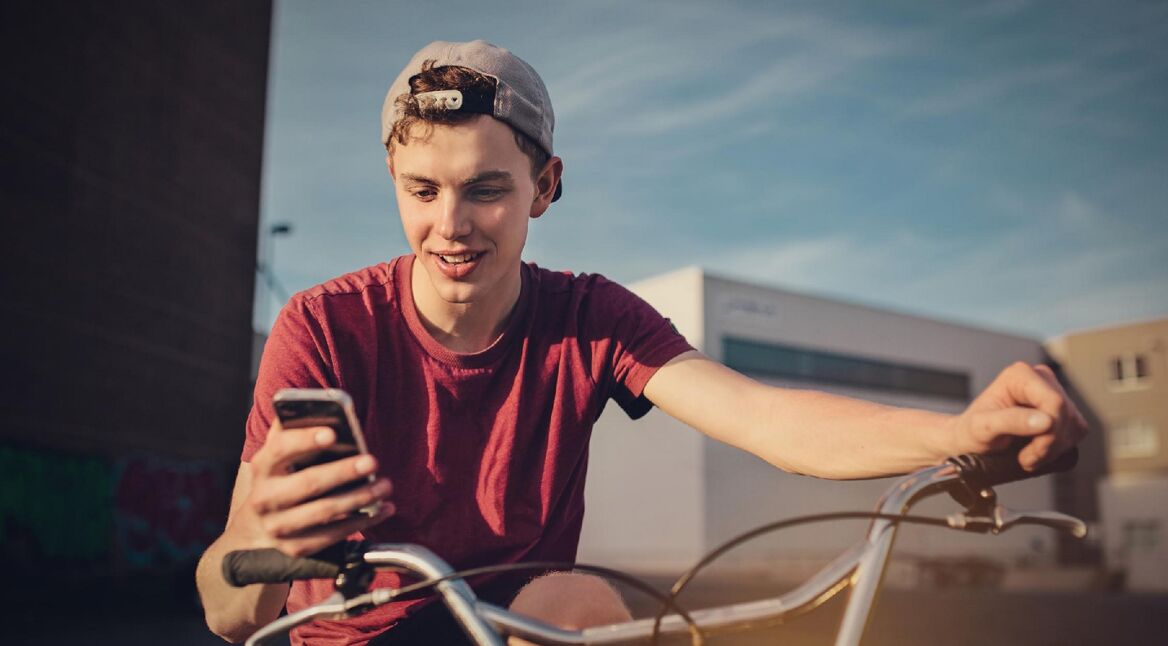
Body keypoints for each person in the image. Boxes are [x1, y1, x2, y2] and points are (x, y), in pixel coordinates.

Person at [195, 40, 1088, 645]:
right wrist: (262, 536)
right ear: (393, 177)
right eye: (422, 189)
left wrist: (957, 435)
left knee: (587, 602)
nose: (451, 224)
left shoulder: (589, 318)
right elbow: (226, 613)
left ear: (546, 186)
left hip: (516, 622)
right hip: (353, 635)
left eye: (487, 190)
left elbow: (764, 416)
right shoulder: (323, 326)